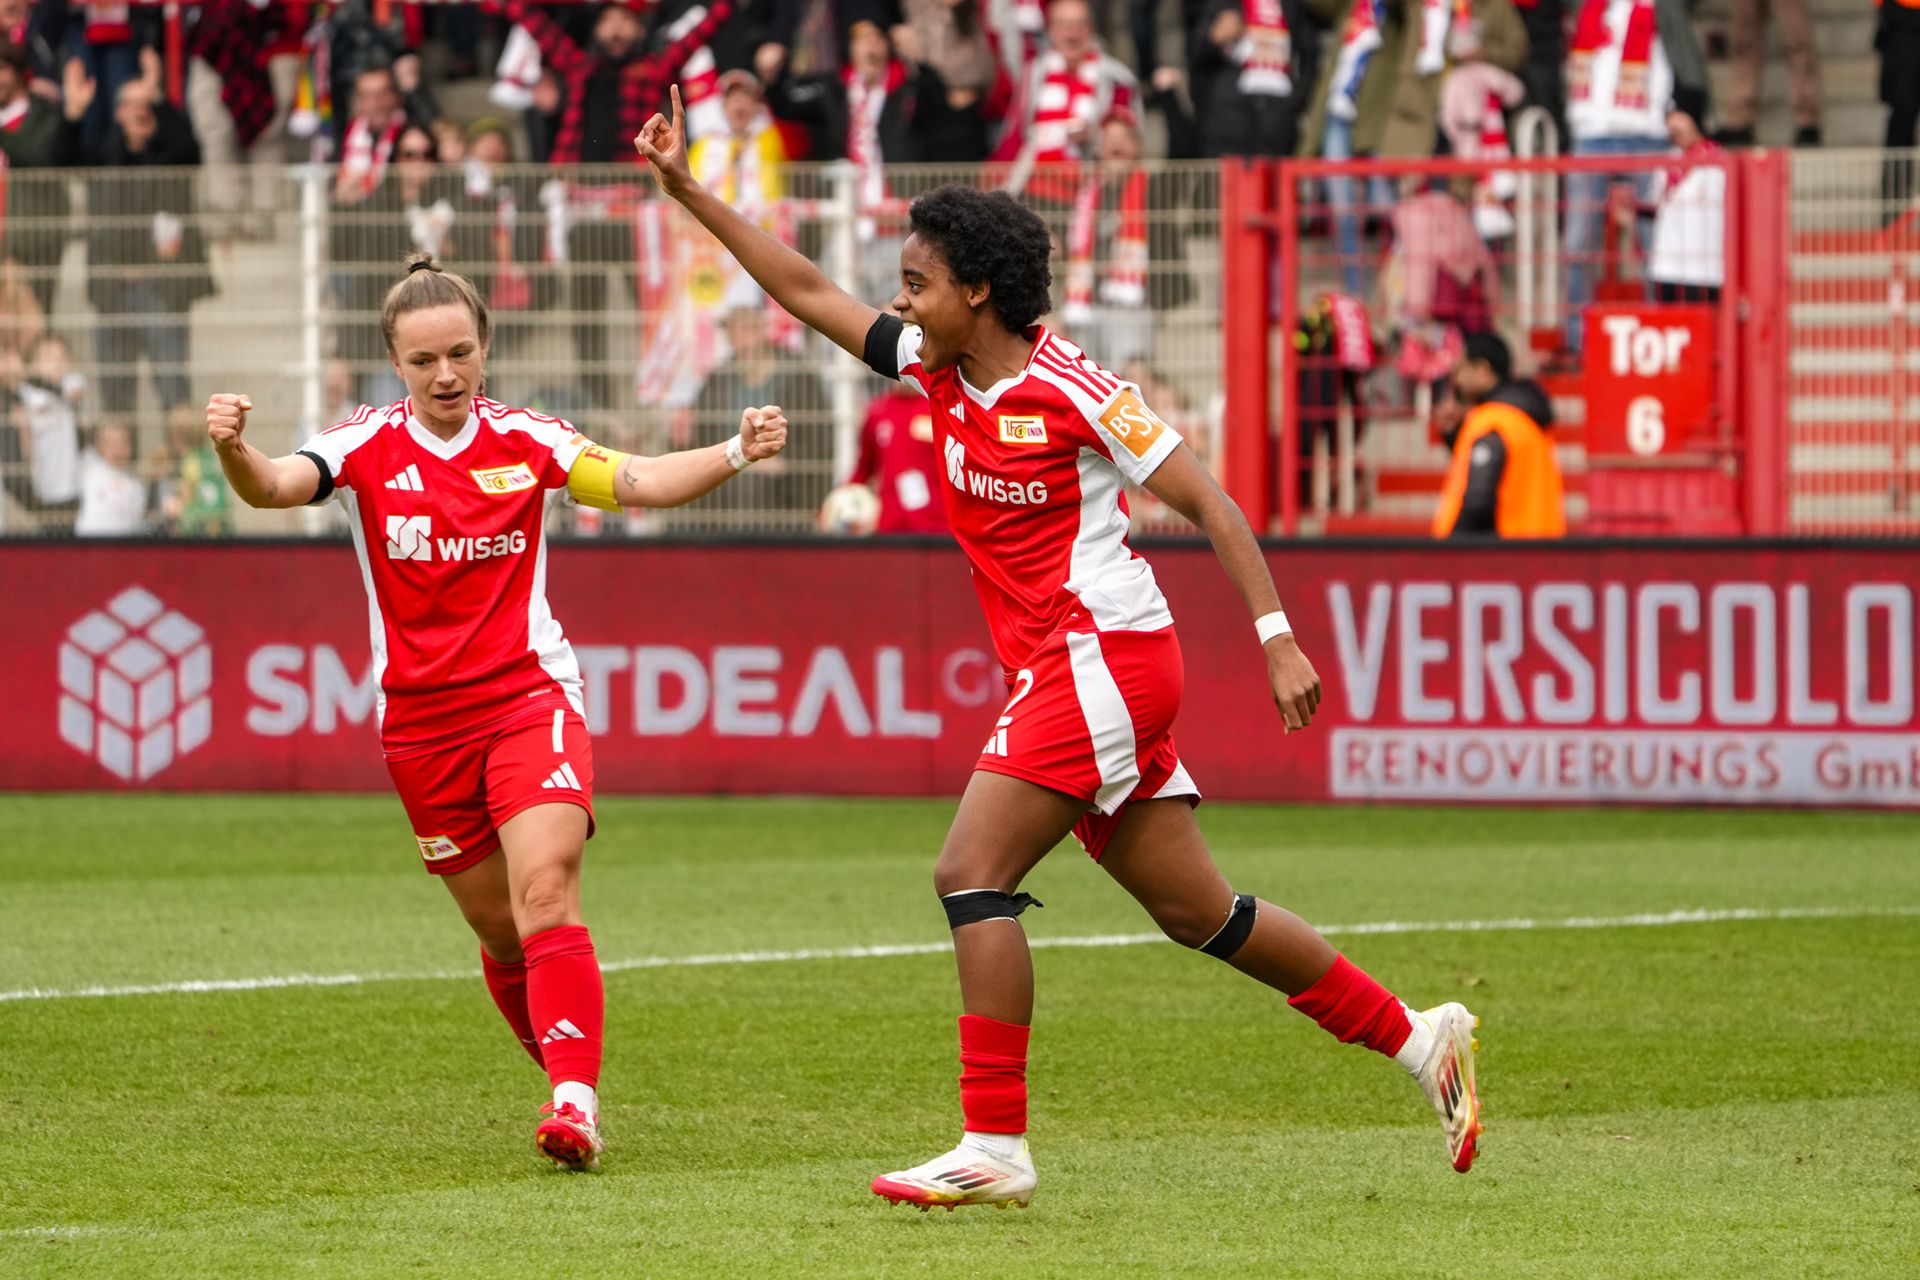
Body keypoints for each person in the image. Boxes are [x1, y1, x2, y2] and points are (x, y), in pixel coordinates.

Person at [638, 85, 1486, 1210]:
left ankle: (995, 1144)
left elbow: (1211, 498)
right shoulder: (936, 372)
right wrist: (689, 188)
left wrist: (1278, 636)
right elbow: (803, 289)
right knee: (1204, 914)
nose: (900, 298)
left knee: (967, 872)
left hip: (1106, 652)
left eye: (920, 281)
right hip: (1076, 665)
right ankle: (1420, 1038)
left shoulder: (1078, 390)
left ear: (977, 291)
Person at [205, 254, 790, 1172]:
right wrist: (234, 449)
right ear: (395, 364)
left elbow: (635, 480)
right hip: (420, 727)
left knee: (546, 889)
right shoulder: (361, 445)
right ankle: (565, 1073)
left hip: (528, 698)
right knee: (500, 932)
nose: (446, 376)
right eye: (425, 360)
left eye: (461, 354)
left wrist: (733, 451)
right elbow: (276, 486)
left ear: (485, 351)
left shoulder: (529, 440)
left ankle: (574, 1104)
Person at [1431, 330, 1565, 538]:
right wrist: (1453, 436)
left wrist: (1449, 553)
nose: (1456, 379)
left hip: (1506, 556)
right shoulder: (1524, 417)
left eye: (1461, 368)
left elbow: (1478, 500)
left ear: (1483, 370)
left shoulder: (1494, 422)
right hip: (1536, 551)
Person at [843, 380, 950, 534]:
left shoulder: (941, 408)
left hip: (938, 528)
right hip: (891, 527)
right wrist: (839, 501)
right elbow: (863, 469)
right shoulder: (877, 412)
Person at [1645, 101, 1725, 304]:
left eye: (1679, 117)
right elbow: (1654, 205)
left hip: (1704, 266)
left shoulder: (1719, 159)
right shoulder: (1666, 160)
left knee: (1704, 329)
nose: (1673, 126)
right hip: (1666, 264)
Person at [74, 418, 149, 535]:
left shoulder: (135, 485)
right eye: (112, 444)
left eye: (124, 443)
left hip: (119, 546)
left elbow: (136, 519)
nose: (118, 449)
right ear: (100, 446)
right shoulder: (90, 465)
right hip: (89, 542)